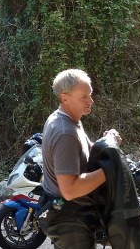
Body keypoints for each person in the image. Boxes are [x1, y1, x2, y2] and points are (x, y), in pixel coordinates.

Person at [38, 68, 121, 249]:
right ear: (65, 98)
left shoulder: (67, 119)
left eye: (90, 95)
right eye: (84, 97)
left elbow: (85, 151)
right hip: (70, 218)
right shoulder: (65, 132)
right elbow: (70, 189)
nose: (90, 101)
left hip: (65, 211)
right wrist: (110, 171)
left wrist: (108, 141)